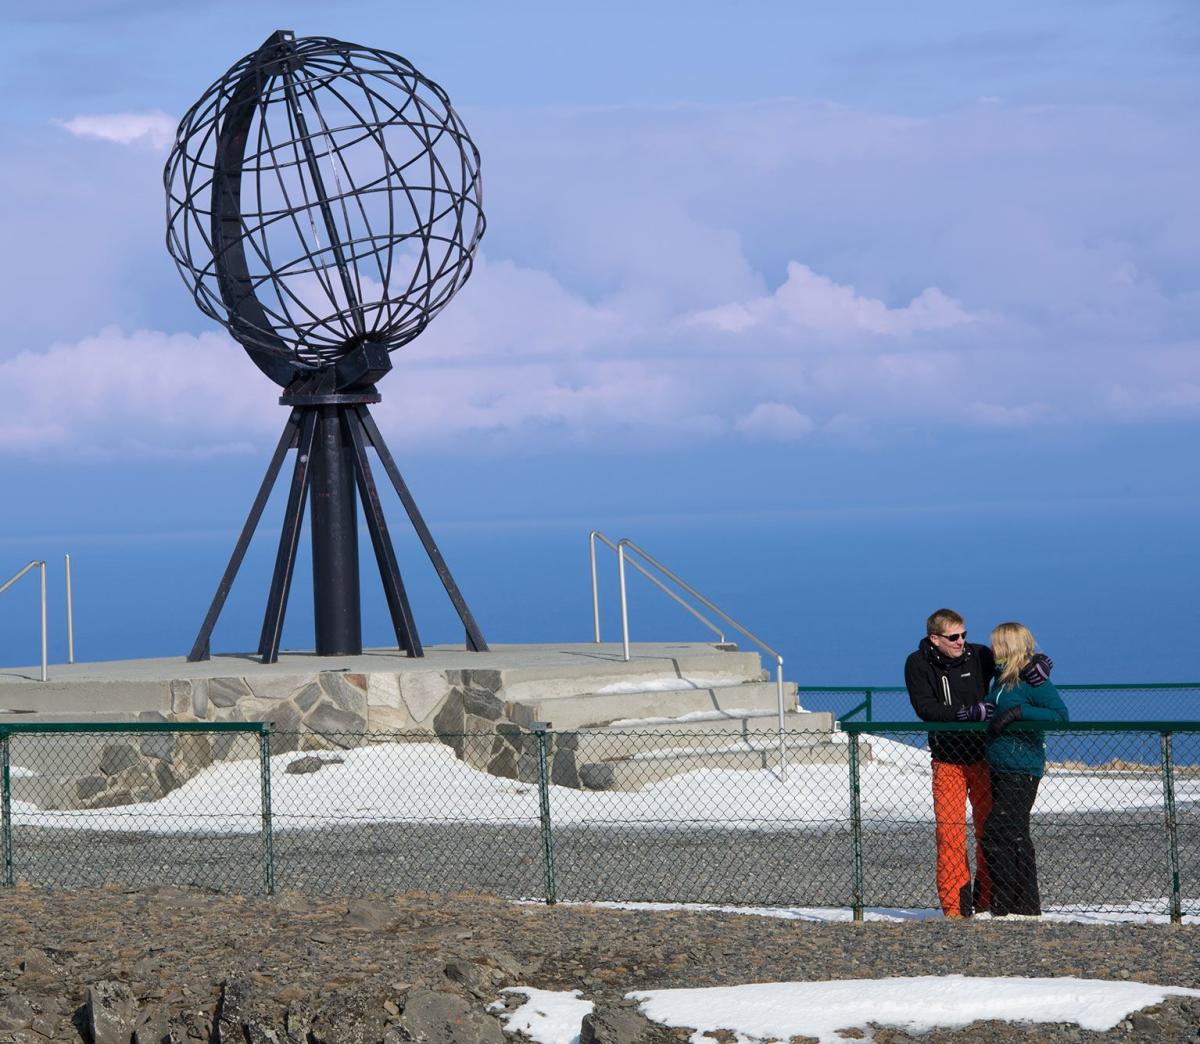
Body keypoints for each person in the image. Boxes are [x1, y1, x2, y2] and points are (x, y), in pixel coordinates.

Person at [905, 609, 1054, 918]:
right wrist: (966, 714)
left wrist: (1041, 664)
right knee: (949, 834)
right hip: (946, 761)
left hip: (984, 758)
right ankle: (955, 909)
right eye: (953, 637)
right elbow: (926, 708)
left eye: (964, 635)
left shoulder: (979, 655)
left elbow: (1014, 662)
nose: (961, 641)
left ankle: (986, 901)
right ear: (935, 639)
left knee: (988, 831)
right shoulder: (917, 663)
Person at [981, 621, 1068, 919]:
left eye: (997, 643)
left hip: (1022, 767)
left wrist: (1019, 714)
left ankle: (1003, 901)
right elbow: (996, 707)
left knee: (997, 831)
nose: (992, 649)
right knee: (1016, 833)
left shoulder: (1034, 679)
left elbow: (1060, 716)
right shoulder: (1001, 678)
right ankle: (1026, 904)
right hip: (999, 765)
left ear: (1009, 646)